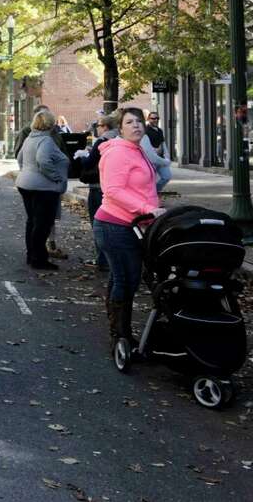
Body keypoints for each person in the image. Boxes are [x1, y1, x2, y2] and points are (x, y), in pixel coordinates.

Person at [94, 108, 164, 356]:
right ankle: (120, 336)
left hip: (134, 225)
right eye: (129, 122)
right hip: (115, 225)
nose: (136, 125)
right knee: (127, 279)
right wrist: (147, 209)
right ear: (120, 128)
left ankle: (119, 331)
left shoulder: (137, 150)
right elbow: (113, 190)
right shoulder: (118, 153)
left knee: (121, 277)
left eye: (139, 121)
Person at [15, 109, 68, 271]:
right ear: (50, 124)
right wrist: (55, 176)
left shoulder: (30, 138)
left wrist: (26, 171)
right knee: (42, 224)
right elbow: (43, 160)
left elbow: (20, 158)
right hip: (43, 188)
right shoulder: (45, 140)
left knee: (32, 222)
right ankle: (39, 258)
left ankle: (32, 255)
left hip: (25, 184)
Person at [74, 112, 118, 271]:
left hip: (98, 186)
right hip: (111, 186)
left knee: (98, 224)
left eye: (98, 126)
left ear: (105, 126)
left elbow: (90, 161)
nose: (96, 129)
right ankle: (109, 259)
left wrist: (82, 156)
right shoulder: (119, 139)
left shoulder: (103, 140)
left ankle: (103, 260)